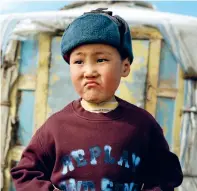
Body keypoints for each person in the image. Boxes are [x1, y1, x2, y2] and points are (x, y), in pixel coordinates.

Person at [10, 8, 183, 191]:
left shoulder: (142, 125)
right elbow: (25, 173)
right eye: (79, 62)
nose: (89, 71)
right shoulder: (56, 126)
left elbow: (166, 175)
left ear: (124, 67)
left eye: (101, 60)